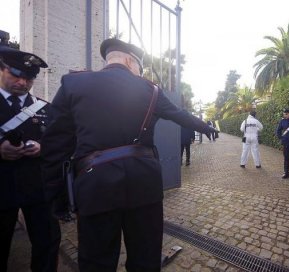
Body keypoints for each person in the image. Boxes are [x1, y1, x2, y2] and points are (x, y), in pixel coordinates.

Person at [40, 38, 217, 272]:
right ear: (129, 60)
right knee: (145, 258)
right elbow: (180, 115)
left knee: (96, 261)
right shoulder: (149, 90)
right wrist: (207, 127)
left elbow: (54, 145)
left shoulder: (73, 83)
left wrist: (58, 197)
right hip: (144, 184)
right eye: (139, 68)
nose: (139, 73)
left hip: (95, 187)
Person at [0, 45, 60, 271]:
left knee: (47, 243)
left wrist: (42, 147)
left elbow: (60, 142)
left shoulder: (44, 108)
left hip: (38, 189)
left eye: (29, 78)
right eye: (16, 75)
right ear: (2, 69)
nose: (23, 83)